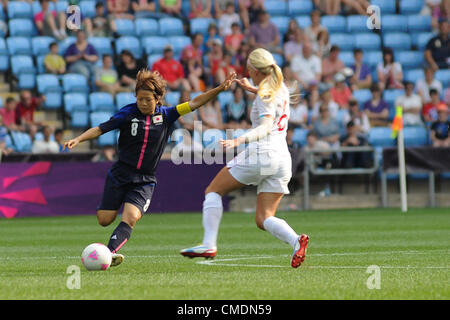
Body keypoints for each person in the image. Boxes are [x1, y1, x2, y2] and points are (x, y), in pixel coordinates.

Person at [63, 69, 236, 267]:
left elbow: (196, 103)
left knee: (131, 218)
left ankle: (109, 253)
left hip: (144, 180)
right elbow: (101, 129)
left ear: (158, 98)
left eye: (148, 100)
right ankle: (111, 233)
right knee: (104, 219)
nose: (143, 103)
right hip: (120, 174)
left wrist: (220, 89)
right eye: (140, 99)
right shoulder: (127, 113)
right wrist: (78, 139)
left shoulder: (167, 115)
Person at [180, 48, 310, 269]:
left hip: (262, 153)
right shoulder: (281, 88)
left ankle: (208, 244)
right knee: (264, 218)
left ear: (253, 70)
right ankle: (296, 240)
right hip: (282, 159)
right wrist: (254, 89)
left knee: (213, 191)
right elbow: (270, 101)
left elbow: (266, 126)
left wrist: (238, 141)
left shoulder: (265, 93)